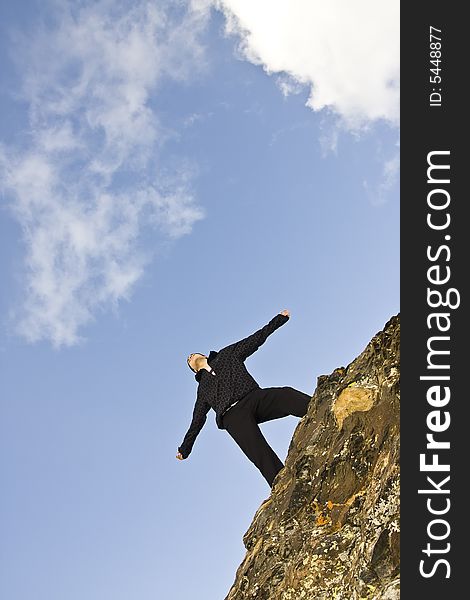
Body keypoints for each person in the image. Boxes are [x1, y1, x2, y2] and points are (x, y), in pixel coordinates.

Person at [176, 309, 311, 487]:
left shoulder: (226, 354)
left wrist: (279, 320)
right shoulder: (202, 389)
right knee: (258, 451)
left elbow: (254, 340)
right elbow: (197, 419)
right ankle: (283, 486)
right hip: (232, 416)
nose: (190, 356)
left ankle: (319, 408)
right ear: (194, 370)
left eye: (192, 354)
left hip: (253, 397)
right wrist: (185, 448)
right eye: (188, 360)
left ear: (204, 355)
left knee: (285, 394)